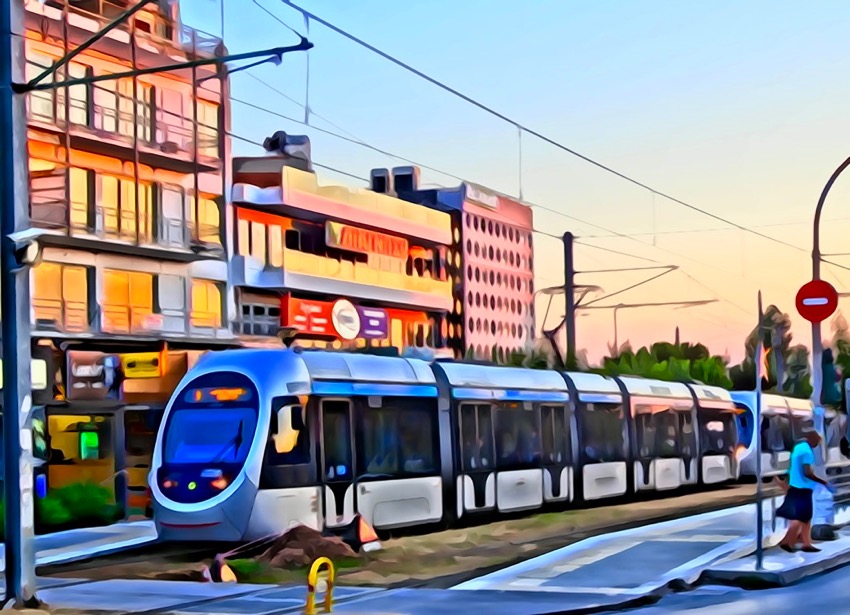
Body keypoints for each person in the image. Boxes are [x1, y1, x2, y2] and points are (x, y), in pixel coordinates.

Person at [776, 429, 833, 553]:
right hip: (804, 488)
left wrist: (785, 481)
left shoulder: (798, 448)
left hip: (794, 486)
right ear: (812, 439)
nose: (817, 444)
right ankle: (788, 542)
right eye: (817, 441)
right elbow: (807, 472)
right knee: (802, 518)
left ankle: (804, 544)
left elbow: (792, 467)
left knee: (803, 518)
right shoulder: (807, 451)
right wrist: (822, 482)